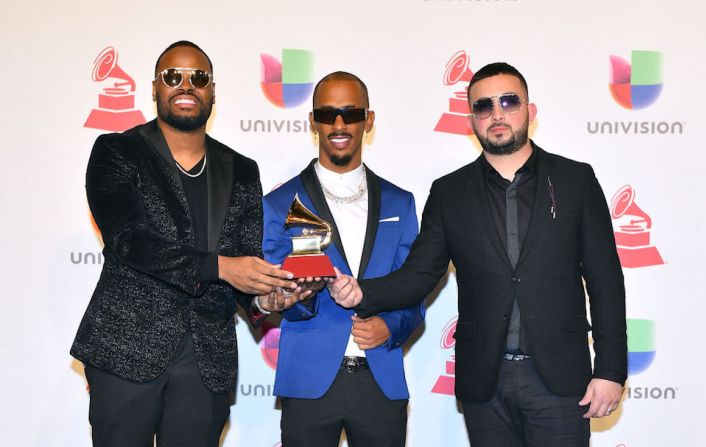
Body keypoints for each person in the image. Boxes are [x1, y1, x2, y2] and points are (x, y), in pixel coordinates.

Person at [330, 62, 627, 447]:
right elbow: (420, 274)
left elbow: (606, 280)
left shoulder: (575, 180)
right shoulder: (450, 192)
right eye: (484, 106)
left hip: (560, 378)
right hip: (485, 382)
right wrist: (363, 293)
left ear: (530, 111)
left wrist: (610, 370)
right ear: (472, 119)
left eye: (509, 101)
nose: (497, 113)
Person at [70, 40, 303, 447]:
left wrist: (264, 301)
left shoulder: (243, 171)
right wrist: (222, 268)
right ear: (155, 89)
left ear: (212, 91)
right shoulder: (117, 151)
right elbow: (130, 241)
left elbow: (245, 260)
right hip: (126, 346)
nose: (185, 85)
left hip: (206, 357)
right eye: (172, 77)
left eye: (198, 78)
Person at [262, 71, 425, 447]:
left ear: (368, 121)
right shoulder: (278, 204)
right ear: (313, 122)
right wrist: (299, 294)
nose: (339, 124)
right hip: (308, 381)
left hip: (380, 380)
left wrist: (390, 326)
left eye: (351, 113)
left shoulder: (401, 204)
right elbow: (278, 296)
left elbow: (414, 289)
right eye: (328, 113)